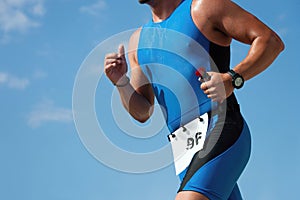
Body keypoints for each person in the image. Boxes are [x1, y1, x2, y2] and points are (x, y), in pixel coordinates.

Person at [104, 0, 284, 199]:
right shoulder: (138, 41)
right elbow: (143, 112)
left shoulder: (205, 7)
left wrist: (232, 78)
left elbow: (270, 41)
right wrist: (121, 82)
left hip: (221, 126)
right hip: (185, 150)